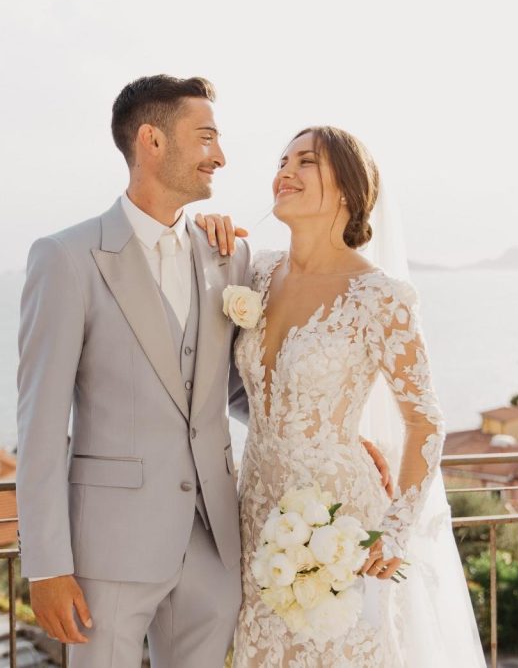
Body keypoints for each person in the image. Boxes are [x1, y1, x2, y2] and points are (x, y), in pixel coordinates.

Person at [15, 76, 394, 668]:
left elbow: (239, 384)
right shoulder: (67, 258)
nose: (220, 155)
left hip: (215, 545)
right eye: (207, 137)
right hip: (111, 549)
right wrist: (45, 564)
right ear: (153, 142)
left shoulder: (228, 255)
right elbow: (38, 423)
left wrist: (331, 437)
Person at [198, 126, 485, 667]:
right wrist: (209, 231)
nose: (285, 171)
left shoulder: (381, 297)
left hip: (340, 523)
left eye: (306, 161)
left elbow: (426, 424)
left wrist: (395, 530)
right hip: (256, 515)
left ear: (351, 192)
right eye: (283, 160)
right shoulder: (254, 273)